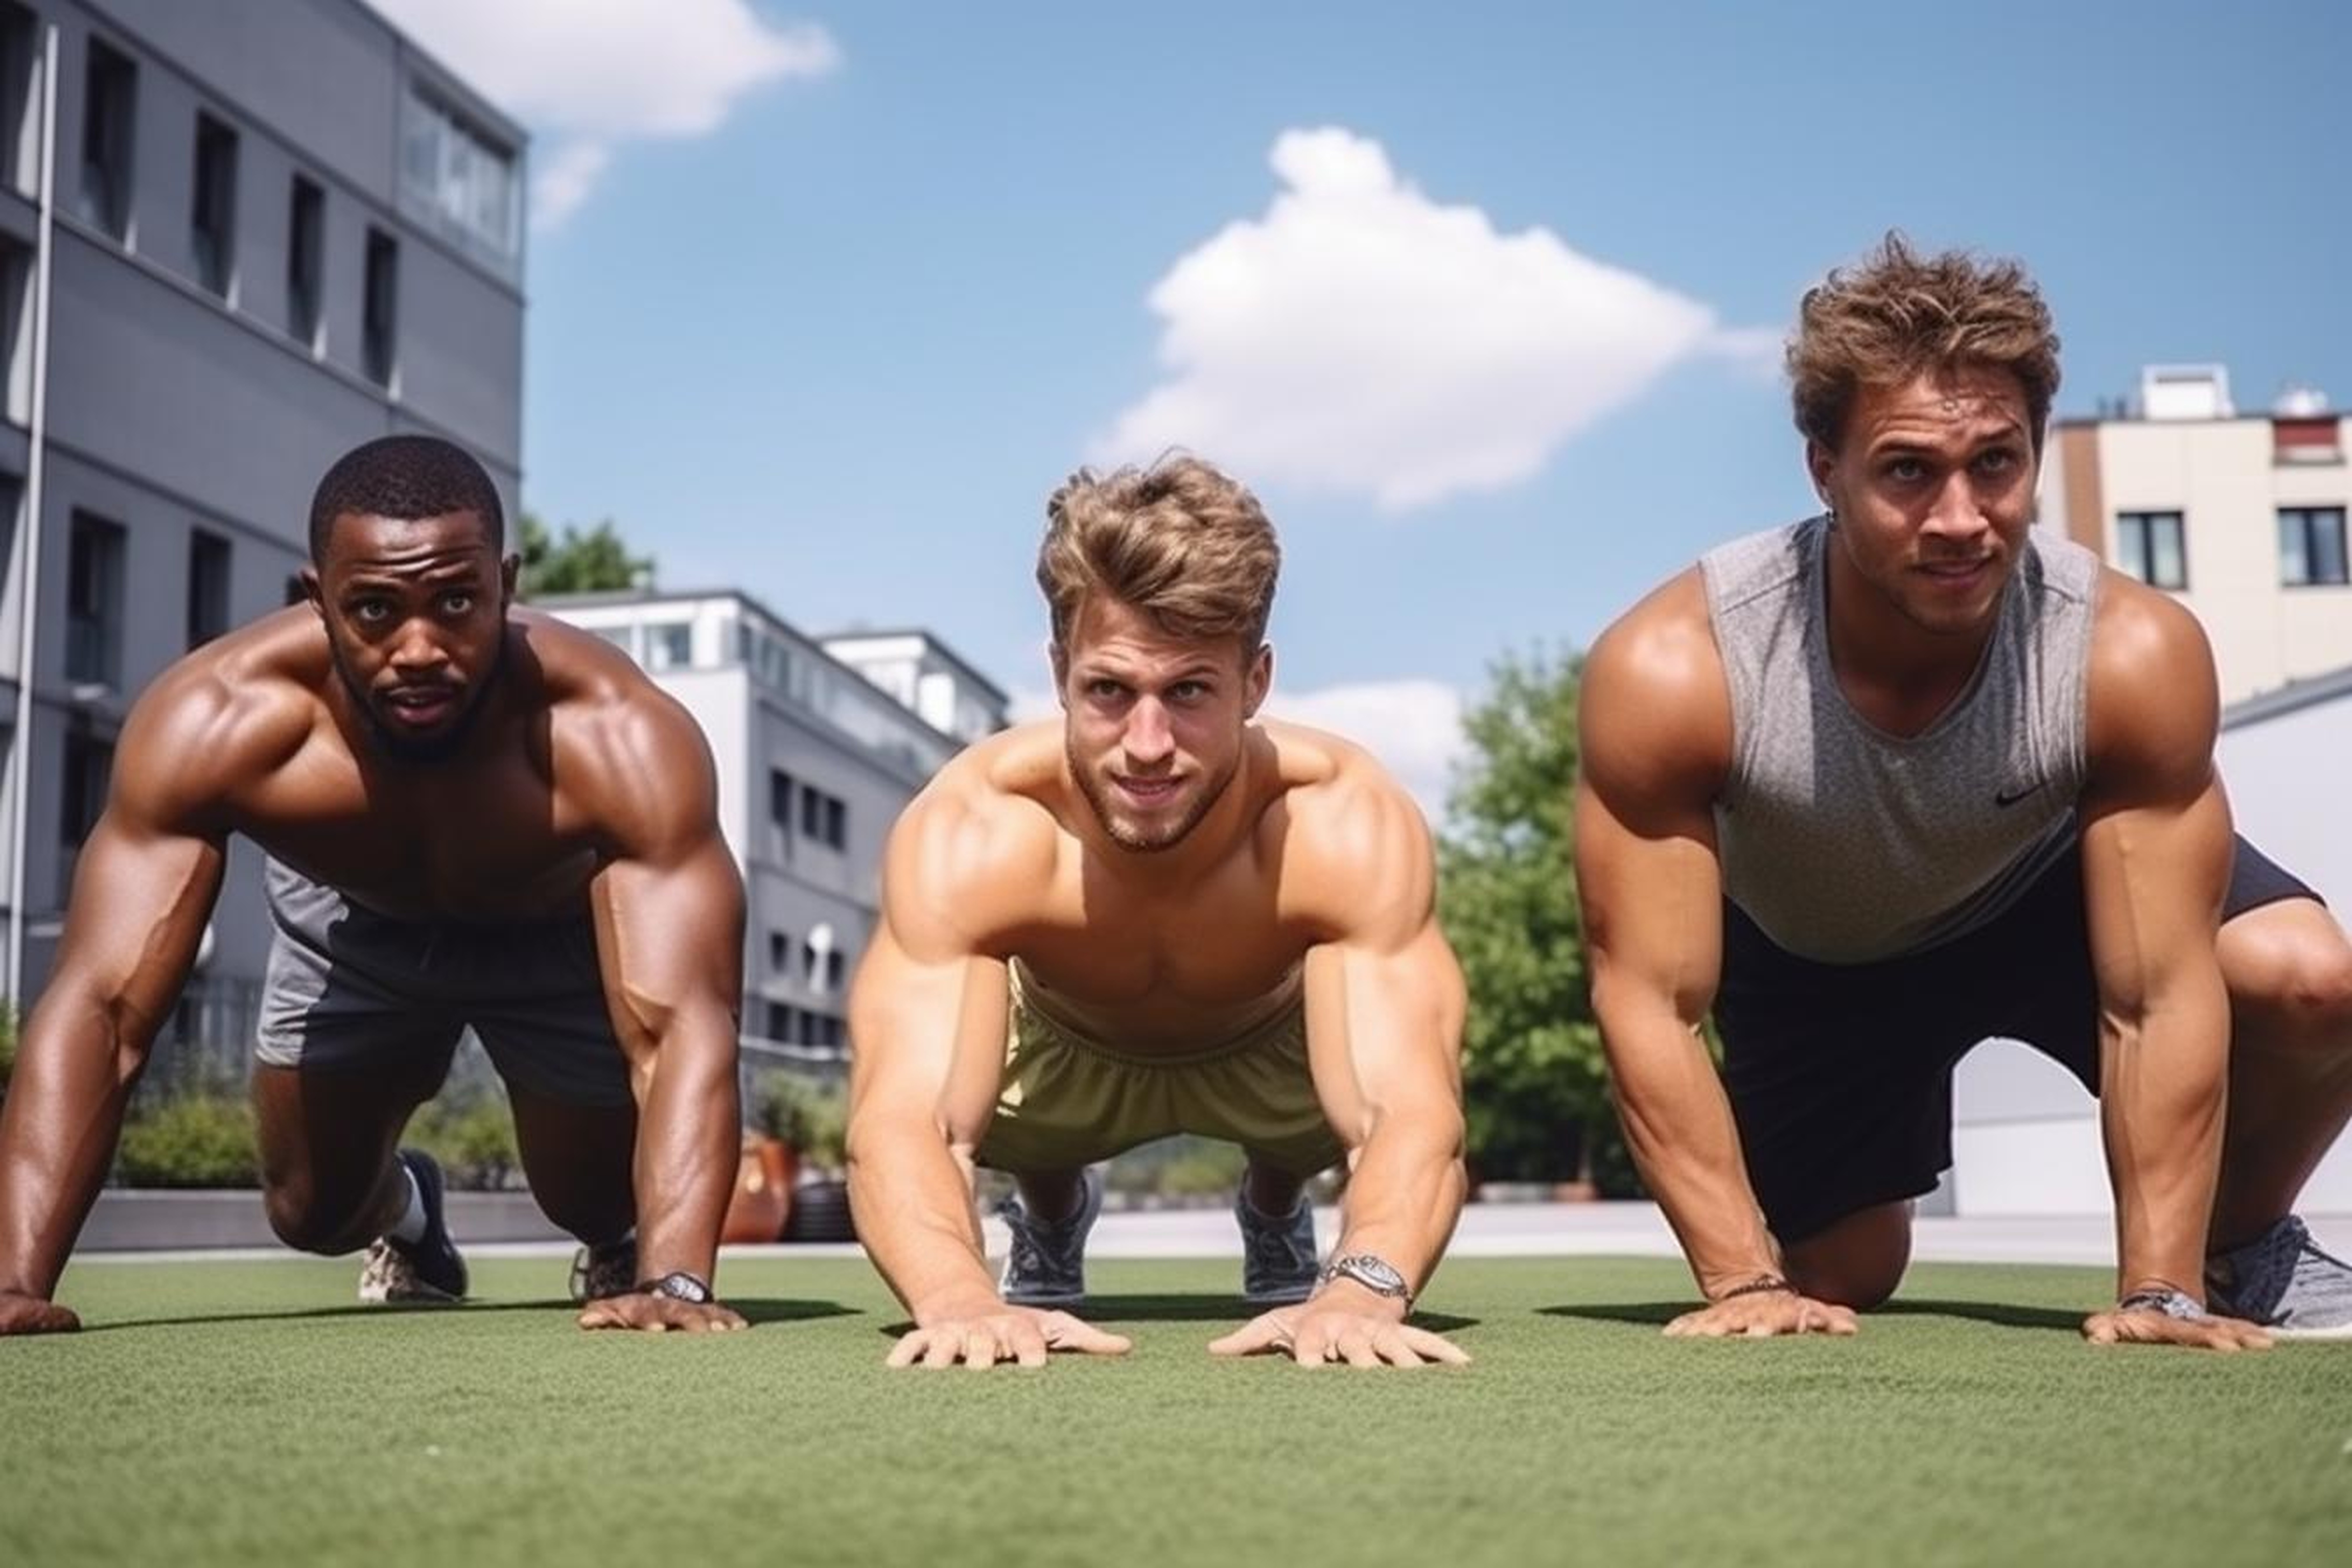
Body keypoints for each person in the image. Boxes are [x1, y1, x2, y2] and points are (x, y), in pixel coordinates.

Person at [1576, 235, 2352, 1350]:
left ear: (2037, 451)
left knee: (2310, 982)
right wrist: (1744, 1283)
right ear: (1825, 471)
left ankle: (2239, 1245)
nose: (1959, 518)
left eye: (1996, 463)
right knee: (1844, 1274)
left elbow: (2159, 994)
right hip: (1816, 954)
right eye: (1907, 472)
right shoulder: (1678, 669)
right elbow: (1650, 1002)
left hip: (2047, 895)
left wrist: (2159, 1290)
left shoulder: (2127, 655)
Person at [0, 435, 747, 1336]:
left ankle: (619, 1239)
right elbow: (104, 1007)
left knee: (591, 1195)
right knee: (311, 1211)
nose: (420, 647)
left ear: (506, 586)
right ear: (318, 600)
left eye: (457, 602)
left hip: (553, 943)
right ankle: (414, 1216)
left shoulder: (615, 735)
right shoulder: (214, 722)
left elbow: (684, 1025)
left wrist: (677, 1283)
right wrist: (14, 1281)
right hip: (352, 930)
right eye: (376, 610)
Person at [846, 456, 1470, 1368]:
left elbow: (1408, 1110)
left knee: (1348, 1077)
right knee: (983, 1089)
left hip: (1275, 1059)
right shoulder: (976, 828)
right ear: (1060, 672)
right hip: (1058, 1059)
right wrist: (957, 1298)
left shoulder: (1338, 819)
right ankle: (1051, 1210)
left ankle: (1275, 1202)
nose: (1148, 746)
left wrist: (1363, 1289)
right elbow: (908, 1118)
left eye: (1189, 693)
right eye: (1110, 691)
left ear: (1255, 684)